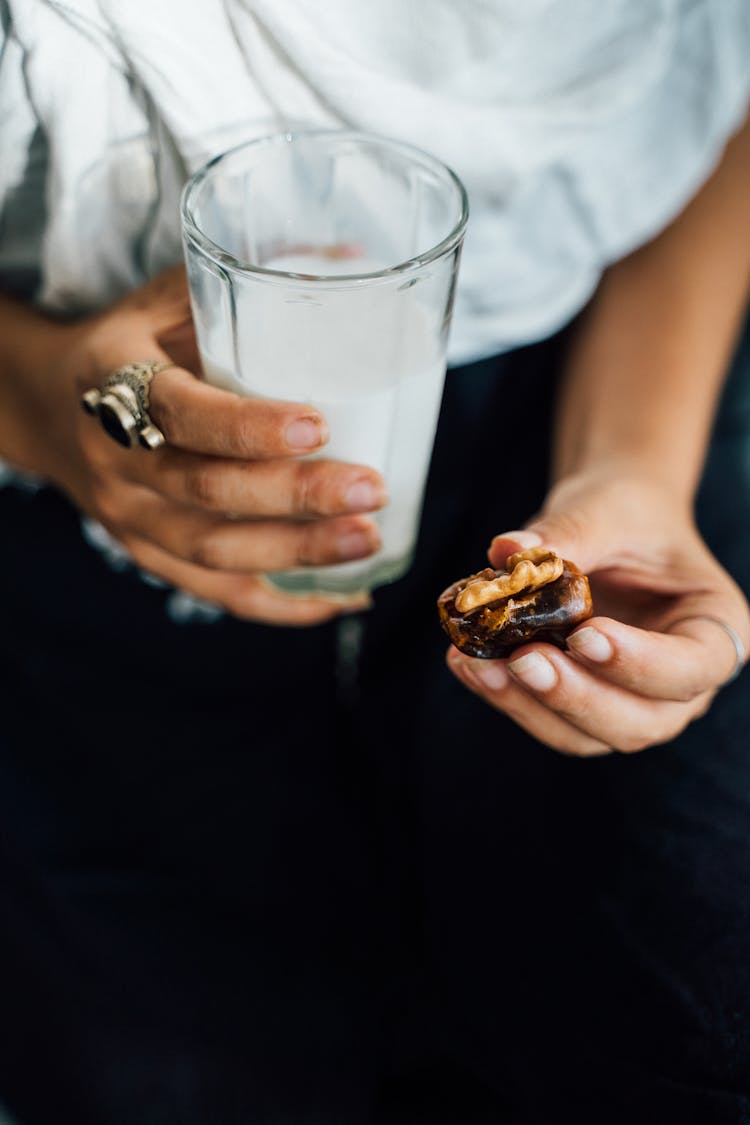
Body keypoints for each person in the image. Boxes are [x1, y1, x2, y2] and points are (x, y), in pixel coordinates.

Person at [1, 2, 749, 1123]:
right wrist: (43, 405)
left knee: (681, 998)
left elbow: (720, 80)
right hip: (76, 458)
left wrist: (633, 469)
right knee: (172, 1073)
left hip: (588, 374)